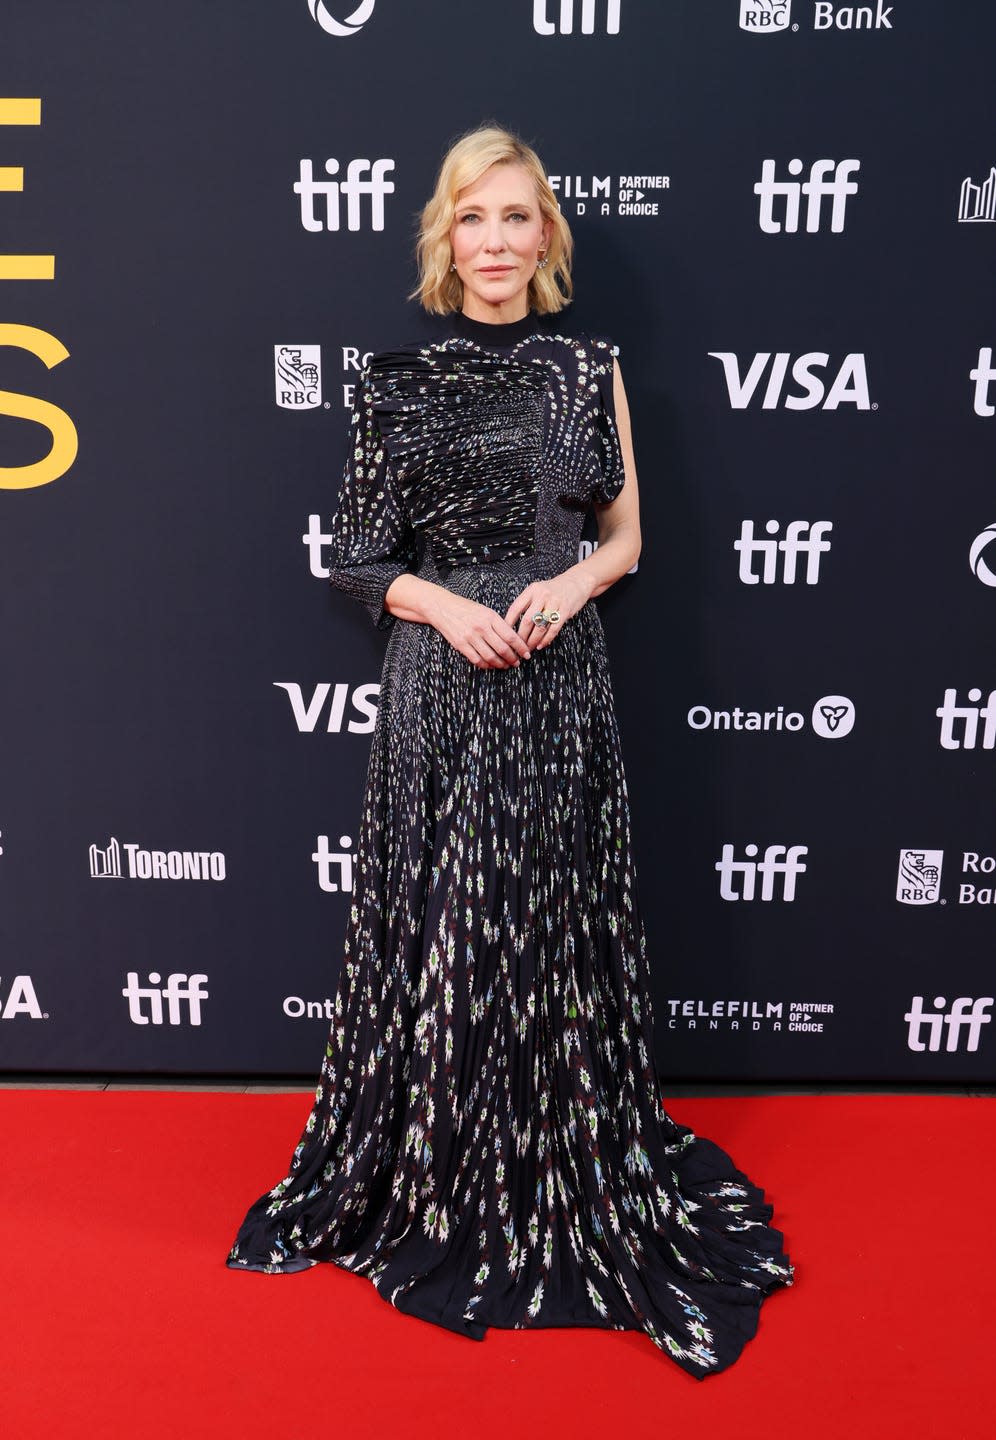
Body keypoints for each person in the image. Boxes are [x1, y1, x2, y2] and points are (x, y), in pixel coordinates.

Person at [226, 123, 794, 1379]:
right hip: (442, 670)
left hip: (555, 671)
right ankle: (432, 1164)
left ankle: (556, 1158)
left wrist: (574, 587)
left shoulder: (589, 367)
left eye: (518, 217)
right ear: (444, 235)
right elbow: (361, 561)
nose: (495, 241)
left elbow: (628, 537)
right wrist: (443, 602)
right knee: (448, 915)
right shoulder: (390, 379)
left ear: (547, 236)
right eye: (474, 218)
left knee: (546, 917)